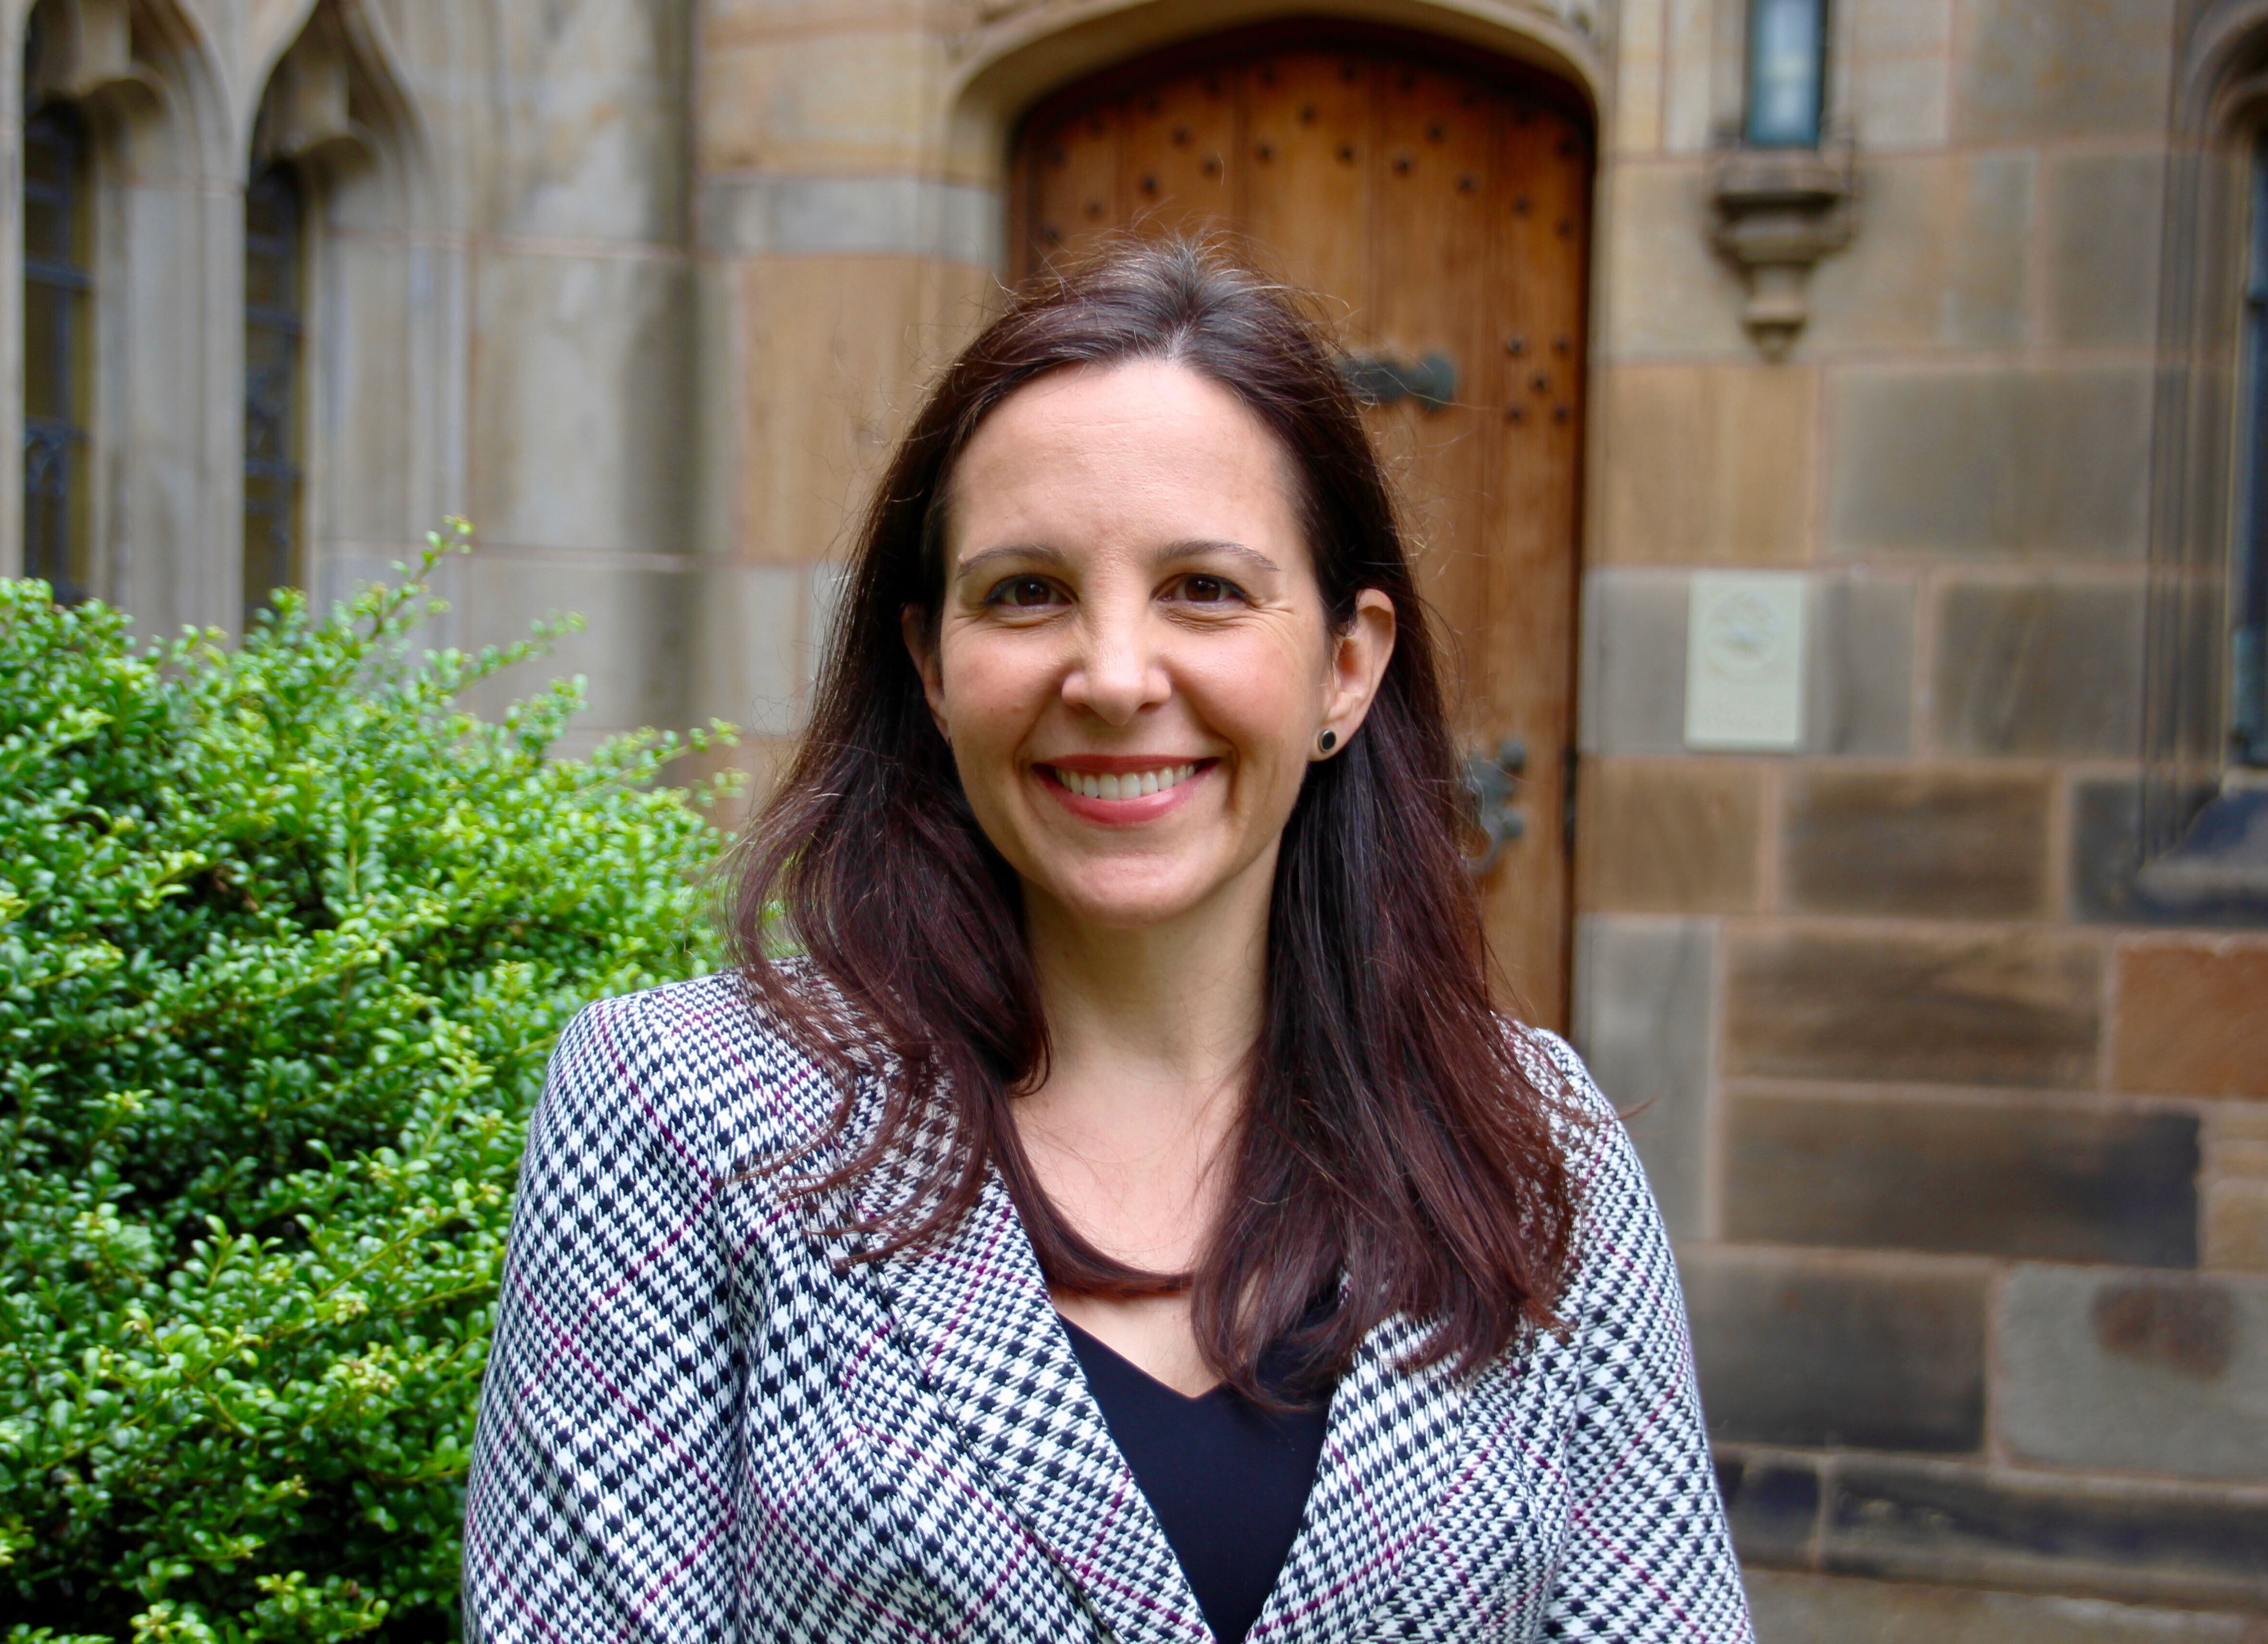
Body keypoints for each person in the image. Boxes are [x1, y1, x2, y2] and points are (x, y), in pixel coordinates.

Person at [462, 240, 1749, 1644]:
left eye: (1203, 586)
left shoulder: (1534, 1144)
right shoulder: (682, 1110)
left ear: (1346, 664)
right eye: (1027, 592)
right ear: (932, 666)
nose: (1116, 676)